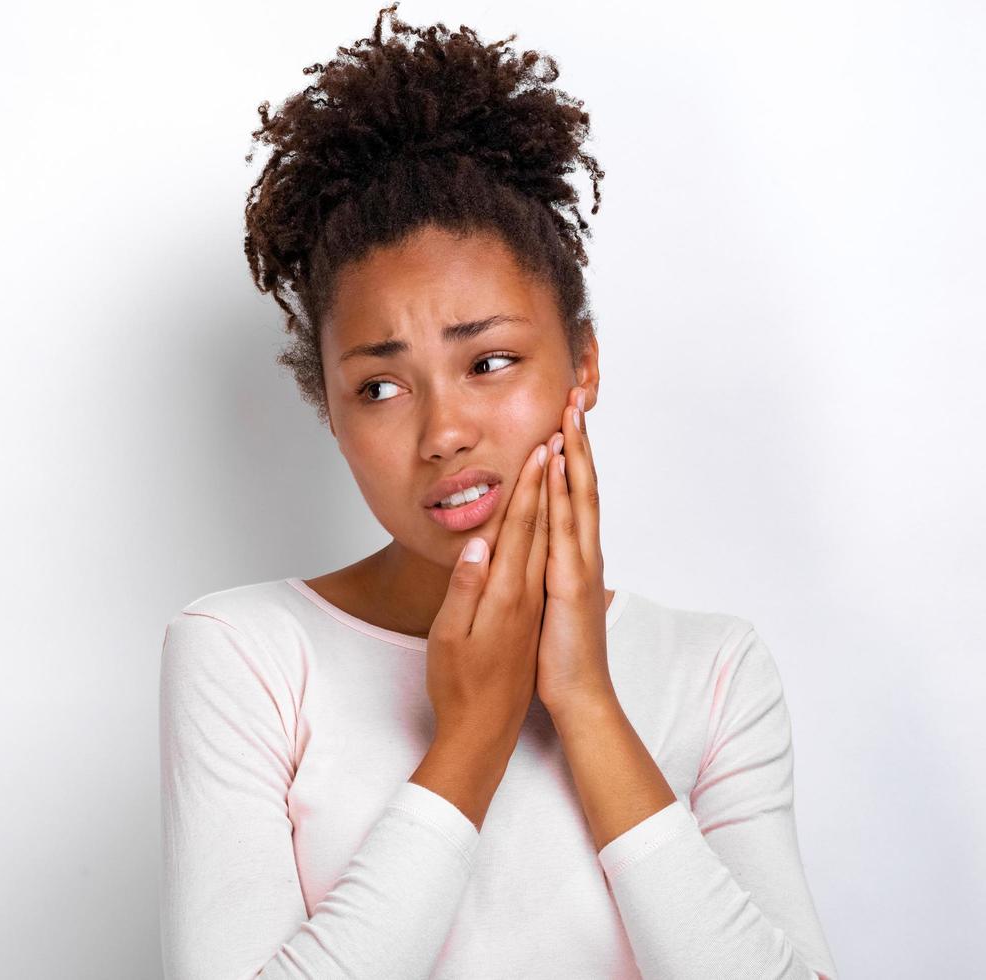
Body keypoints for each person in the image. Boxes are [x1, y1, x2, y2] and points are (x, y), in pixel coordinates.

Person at [158, 5, 839, 977]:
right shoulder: (247, 658)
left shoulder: (713, 670)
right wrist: (471, 737)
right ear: (328, 409)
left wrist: (587, 703)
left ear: (583, 361)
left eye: (487, 360)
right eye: (379, 385)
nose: (442, 432)